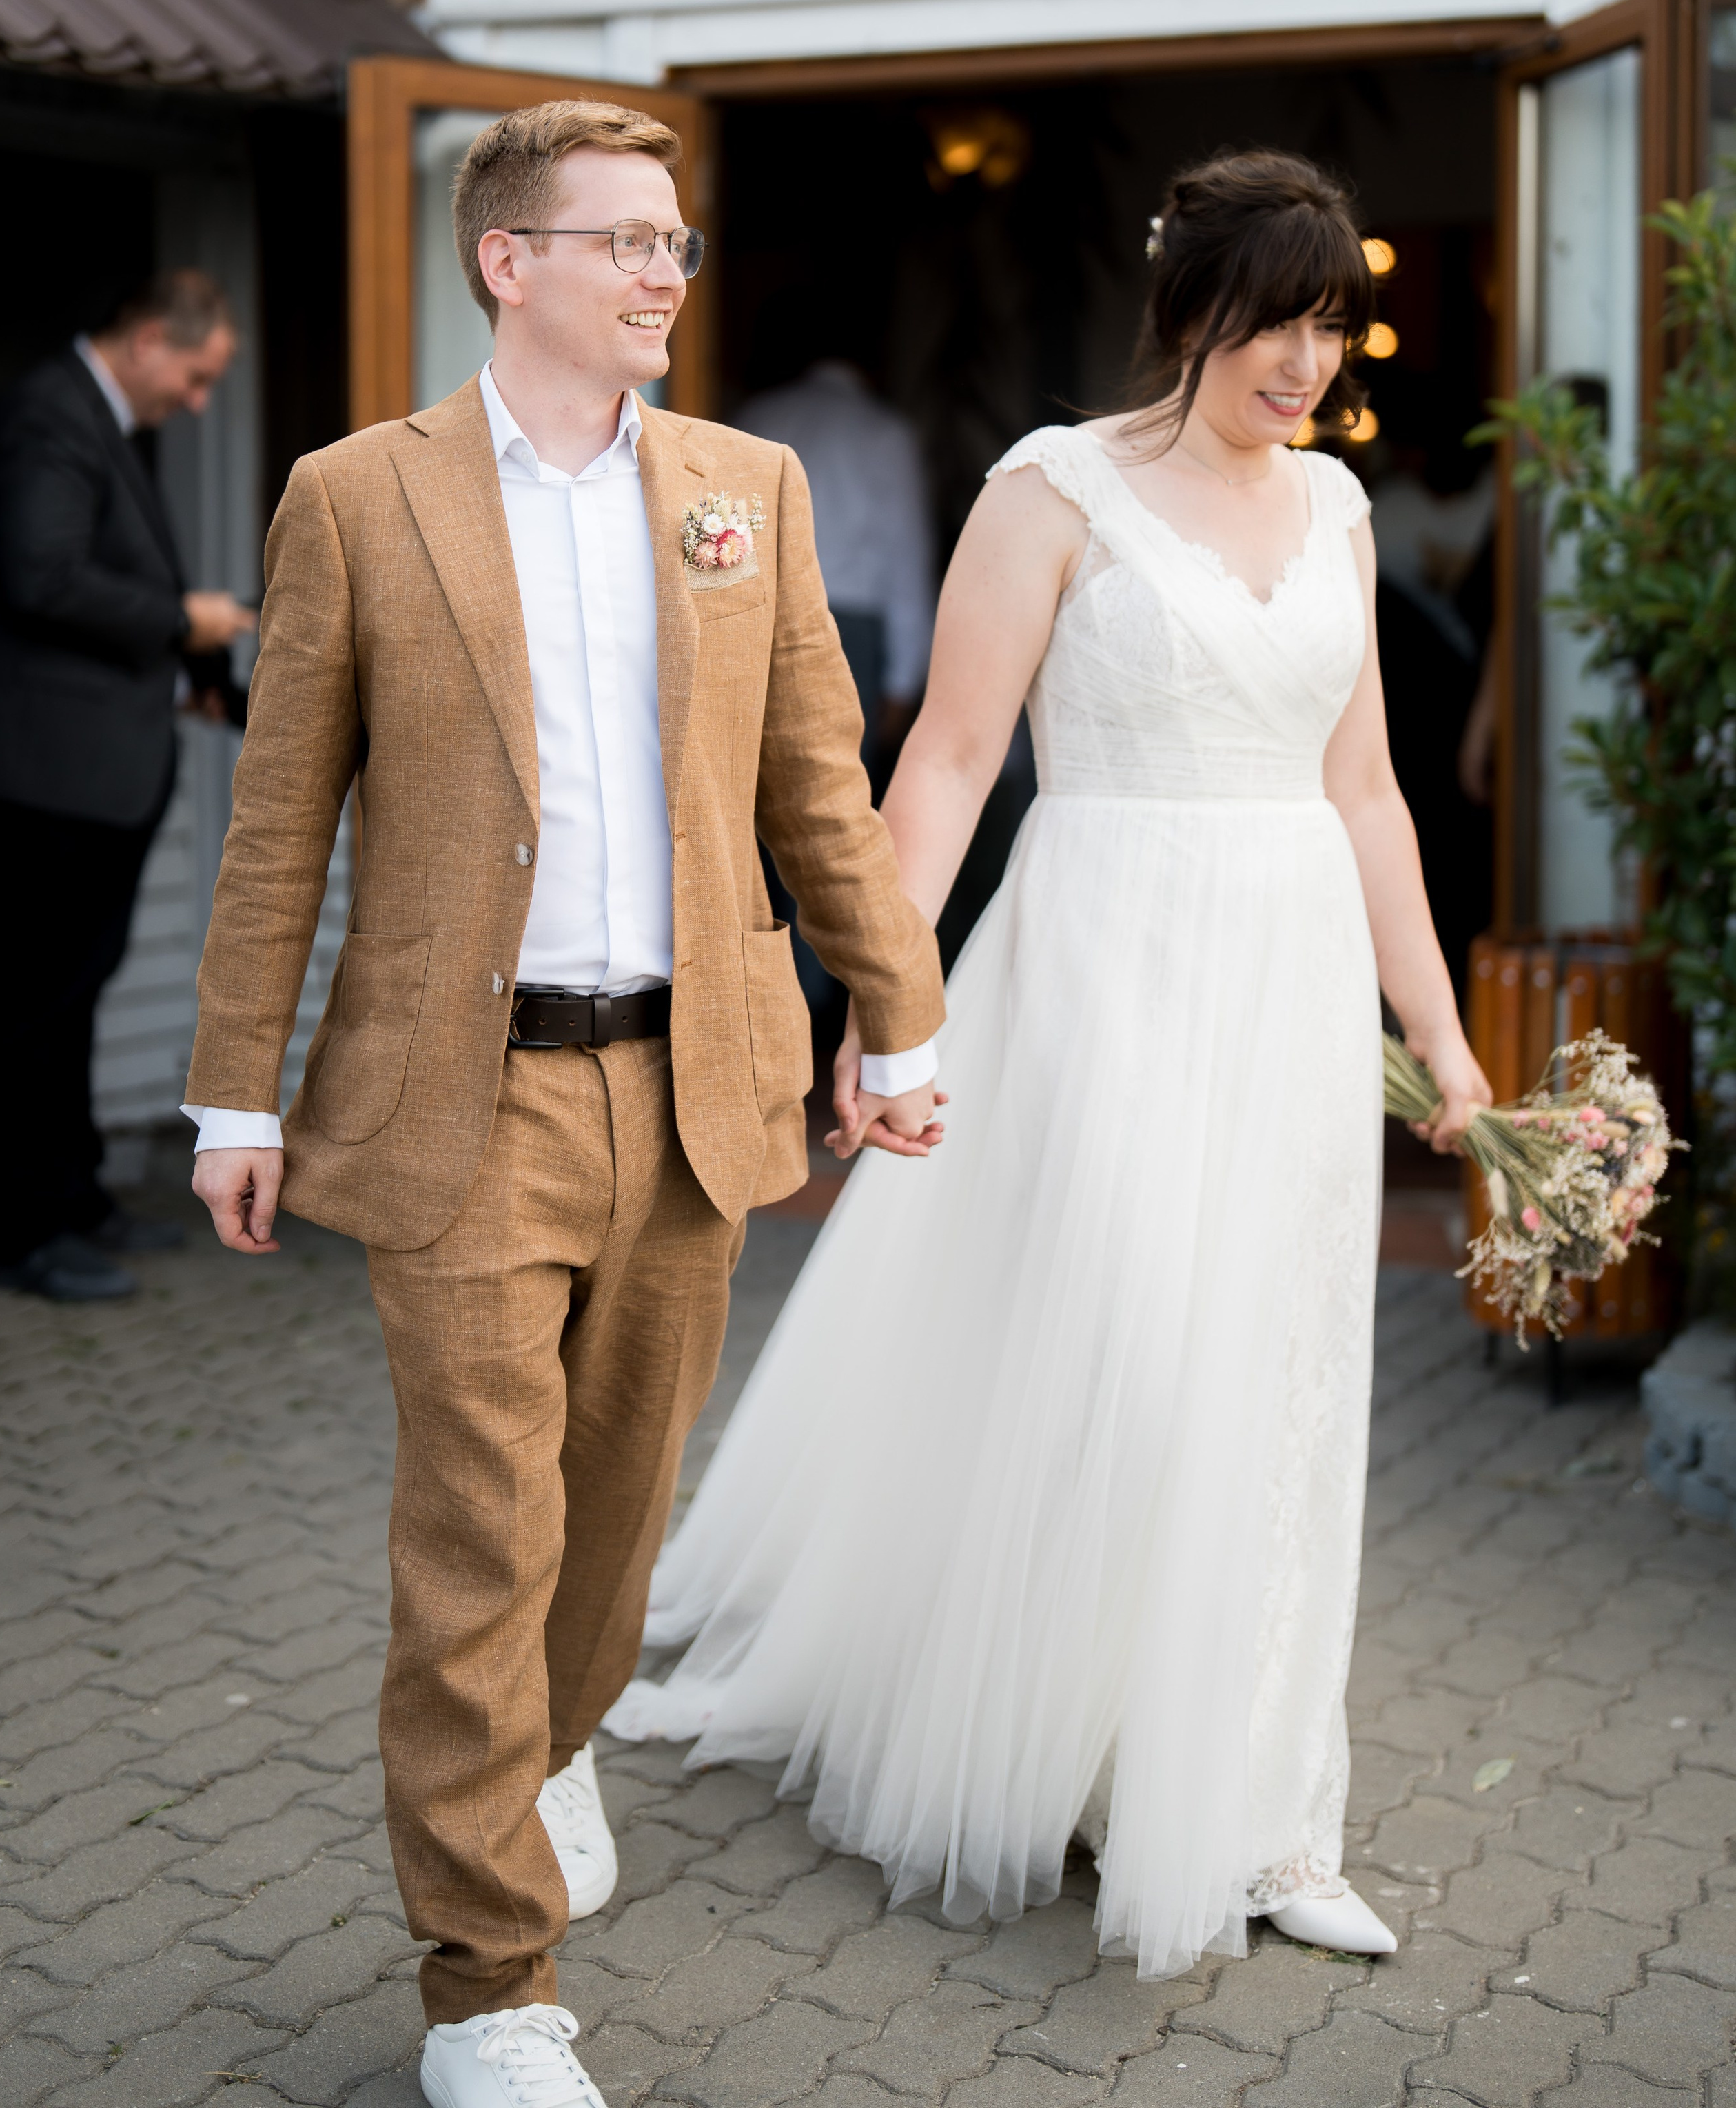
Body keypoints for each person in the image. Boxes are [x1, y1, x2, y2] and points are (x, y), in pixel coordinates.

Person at [606, 152, 1492, 1977]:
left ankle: (1257, 1809)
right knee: (1137, 1362)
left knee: (1279, 1387)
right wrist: (878, 996)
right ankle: (1088, 1759)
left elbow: (1369, 793)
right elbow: (941, 763)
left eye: (1332, 322)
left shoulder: (1335, 508)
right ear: (1189, 311)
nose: (1307, 359)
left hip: (1292, 975)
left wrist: (1446, 1039)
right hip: (1101, 962)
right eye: (1276, 316)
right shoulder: (1051, 488)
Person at [181, 101, 946, 2108]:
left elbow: (815, 781)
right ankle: (490, 1989)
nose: (664, 277)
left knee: (611, 1541)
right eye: (623, 241)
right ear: (505, 262)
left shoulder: (743, 490)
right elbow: (279, 829)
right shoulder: (360, 497)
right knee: (480, 1537)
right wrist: (231, 1096)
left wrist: (901, 1016)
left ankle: (548, 1741)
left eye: (676, 244)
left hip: (695, 1088)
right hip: (462, 1103)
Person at [0, 272, 252, 1302]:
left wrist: (195, 677)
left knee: (72, 993)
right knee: (35, 1003)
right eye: (196, 373)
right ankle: (27, 1229)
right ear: (144, 340)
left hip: (87, 770)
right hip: (47, 777)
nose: (198, 400)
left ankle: (74, 1194)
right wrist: (186, 621)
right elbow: (41, 578)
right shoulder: (52, 415)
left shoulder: (92, 417)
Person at [739, 344, 935, 755]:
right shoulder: (885, 431)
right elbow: (906, 558)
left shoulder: (757, 415)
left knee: (755, 785)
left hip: (757, 616)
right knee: (841, 787)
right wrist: (903, 683)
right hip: (851, 635)